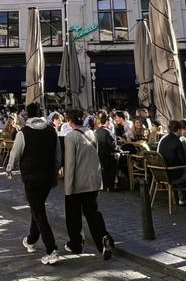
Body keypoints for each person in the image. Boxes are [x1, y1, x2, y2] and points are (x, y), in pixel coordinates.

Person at [5, 103, 62, 266]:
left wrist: (9, 169)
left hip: (31, 177)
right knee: (37, 207)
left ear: (26, 116)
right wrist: (55, 171)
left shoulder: (24, 133)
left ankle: (51, 249)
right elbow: (58, 155)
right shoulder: (52, 131)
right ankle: (31, 239)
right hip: (47, 178)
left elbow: (15, 153)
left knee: (39, 211)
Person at [62, 109, 115, 259]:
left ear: (70, 121)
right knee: (92, 213)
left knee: (73, 215)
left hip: (78, 183)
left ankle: (76, 244)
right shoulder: (92, 132)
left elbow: (70, 163)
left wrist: (68, 187)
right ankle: (103, 238)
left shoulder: (71, 136)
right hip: (93, 180)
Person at [156, 119, 186, 204]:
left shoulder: (163, 139)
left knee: (180, 169)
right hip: (173, 175)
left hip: (161, 172)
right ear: (178, 130)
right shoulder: (177, 141)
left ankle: (182, 198)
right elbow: (184, 162)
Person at [93, 115, 118, 191]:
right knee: (112, 170)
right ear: (107, 122)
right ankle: (110, 187)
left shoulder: (96, 131)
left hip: (99, 155)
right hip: (108, 155)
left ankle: (104, 186)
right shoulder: (108, 132)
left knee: (103, 171)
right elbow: (113, 145)